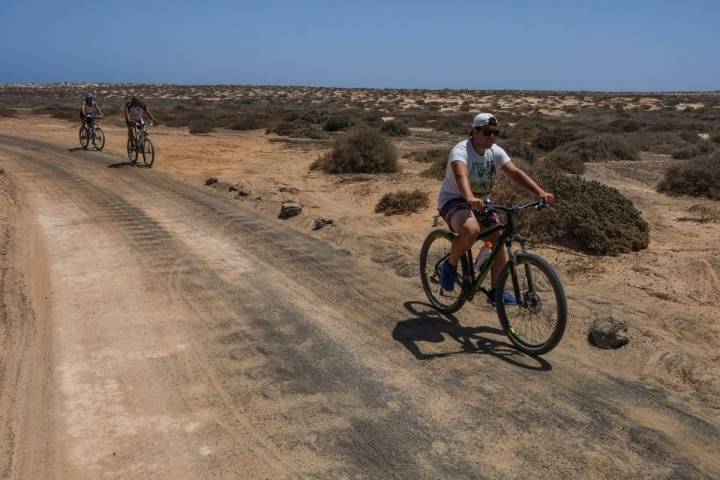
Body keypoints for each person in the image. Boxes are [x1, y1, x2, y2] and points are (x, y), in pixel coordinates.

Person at [437, 113, 555, 304]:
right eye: (486, 132)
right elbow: (461, 176)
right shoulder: (461, 150)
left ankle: (495, 292)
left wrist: (540, 192)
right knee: (471, 230)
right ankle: (449, 266)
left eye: (495, 132)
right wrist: (469, 197)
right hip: (454, 200)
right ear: (474, 132)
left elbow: (515, 172)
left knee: (498, 239)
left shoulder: (495, 151)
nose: (491, 136)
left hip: (480, 202)